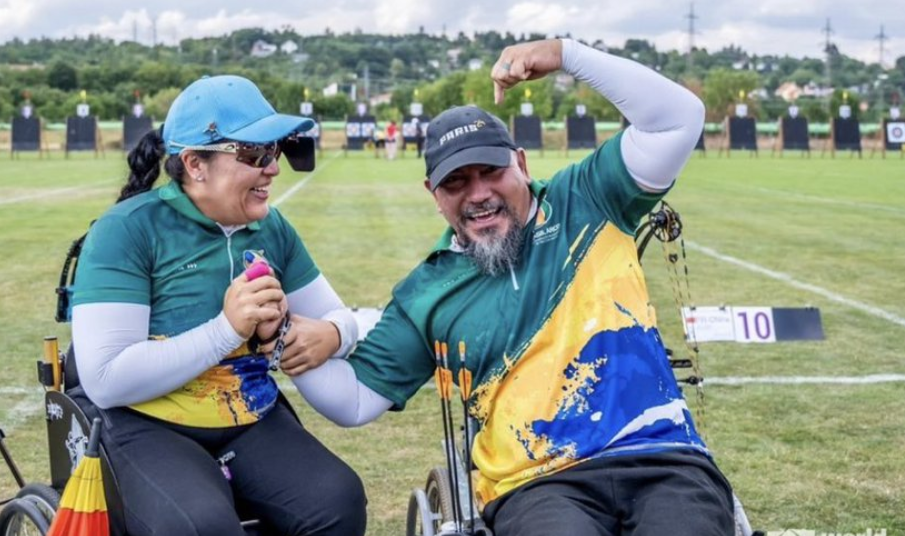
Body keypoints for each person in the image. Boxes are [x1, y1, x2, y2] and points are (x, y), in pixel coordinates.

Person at [291, 39, 734, 535]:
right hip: (538, 485)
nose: (478, 193)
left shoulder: (587, 198)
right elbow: (353, 400)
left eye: (491, 171)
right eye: (456, 182)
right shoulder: (428, 292)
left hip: (663, 458)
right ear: (434, 196)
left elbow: (678, 119)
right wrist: (283, 339)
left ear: (521, 164)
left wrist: (566, 54)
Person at [70, 75, 366, 536]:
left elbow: (334, 317)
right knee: (199, 526)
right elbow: (106, 380)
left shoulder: (273, 228)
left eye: (276, 150)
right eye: (255, 155)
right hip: (145, 421)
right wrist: (226, 329)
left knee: (337, 501)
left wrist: (335, 334)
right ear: (195, 164)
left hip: (246, 414)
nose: (273, 168)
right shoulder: (127, 230)